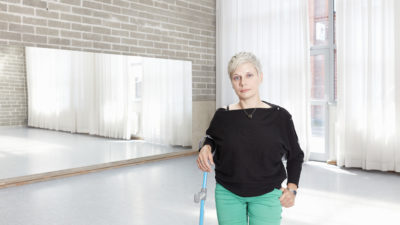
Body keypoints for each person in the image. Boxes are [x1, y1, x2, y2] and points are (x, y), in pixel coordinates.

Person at [197, 52, 304, 225]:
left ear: (260, 77)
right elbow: (212, 138)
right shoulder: (222, 115)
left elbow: (295, 155)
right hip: (228, 193)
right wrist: (206, 147)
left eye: (249, 75)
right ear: (232, 82)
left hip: (267, 194)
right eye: (236, 77)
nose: (243, 82)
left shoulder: (280, 117)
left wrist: (292, 188)